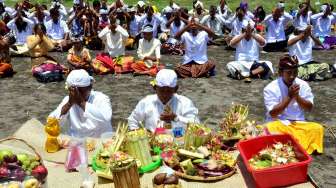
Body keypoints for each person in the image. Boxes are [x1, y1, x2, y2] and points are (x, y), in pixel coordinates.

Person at [263, 55, 324, 154]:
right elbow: (273, 114)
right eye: (289, 73)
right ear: (280, 73)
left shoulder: (303, 85)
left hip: (298, 123)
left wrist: (297, 97)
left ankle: (292, 146)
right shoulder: (270, 88)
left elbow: (309, 108)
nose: (292, 76)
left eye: (295, 72)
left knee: (317, 129)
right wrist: (289, 97)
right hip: (279, 123)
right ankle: (299, 146)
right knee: (270, 128)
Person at [128, 69, 199, 132]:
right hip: (153, 144)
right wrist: (137, 135)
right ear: (155, 88)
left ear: (175, 89)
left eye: (169, 91)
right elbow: (133, 120)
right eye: (161, 90)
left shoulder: (185, 102)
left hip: (178, 143)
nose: (165, 95)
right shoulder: (146, 102)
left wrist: (176, 118)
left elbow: (196, 125)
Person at [49, 69, 113, 138]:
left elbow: (106, 118)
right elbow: (51, 121)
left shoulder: (101, 98)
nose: (77, 95)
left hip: (99, 140)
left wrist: (81, 102)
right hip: (77, 142)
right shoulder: (68, 100)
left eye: (80, 91)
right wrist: (69, 104)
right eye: (73, 91)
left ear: (90, 87)